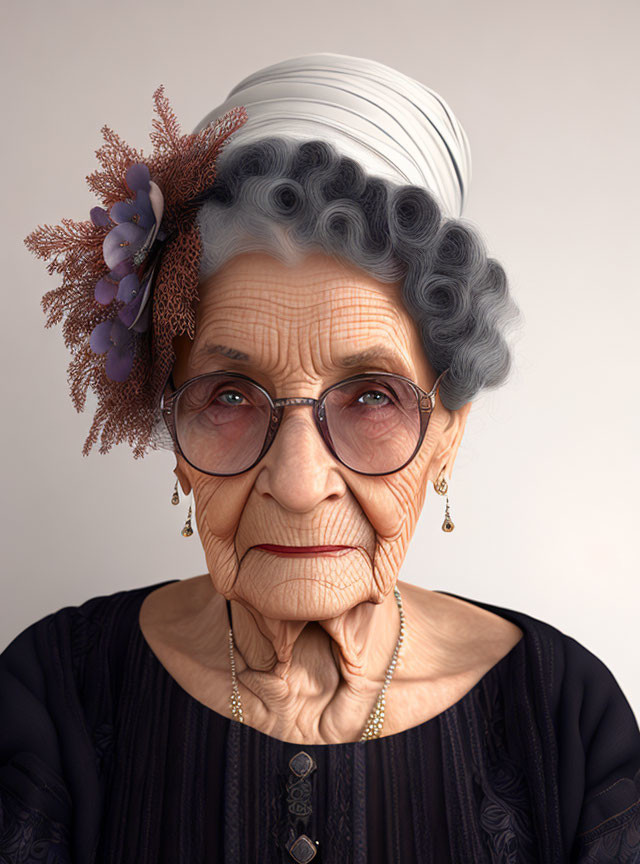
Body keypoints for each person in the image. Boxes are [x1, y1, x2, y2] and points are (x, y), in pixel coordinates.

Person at [4, 52, 639, 863]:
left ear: (448, 429)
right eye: (229, 396)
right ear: (173, 433)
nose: (300, 486)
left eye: (372, 396)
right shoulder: (51, 698)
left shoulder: (563, 718)